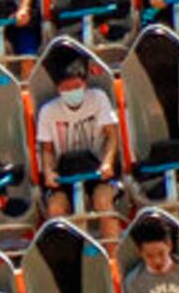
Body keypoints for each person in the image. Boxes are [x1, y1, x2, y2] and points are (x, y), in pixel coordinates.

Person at [34, 54, 121, 230]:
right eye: (67, 88)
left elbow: (112, 135)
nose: (72, 91)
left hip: (96, 168)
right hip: (65, 172)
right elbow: (47, 149)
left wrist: (107, 162)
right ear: (58, 89)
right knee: (56, 209)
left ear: (84, 84)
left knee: (103, 202)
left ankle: (112, 252)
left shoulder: (98, 98)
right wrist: (49, 172)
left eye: (76, 86)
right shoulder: (48, 111)